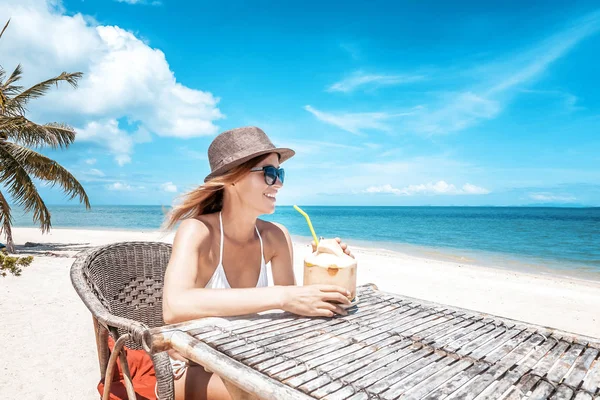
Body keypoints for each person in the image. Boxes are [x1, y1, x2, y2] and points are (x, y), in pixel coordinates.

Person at [162, 126, 354, 400]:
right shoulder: (197, 231)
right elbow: (174, 306)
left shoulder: (276, 236)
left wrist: (327, 266)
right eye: (269, 173)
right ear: (231, 179)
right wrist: (280, 296)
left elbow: (295, 310)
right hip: (195, 366)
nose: (279, 183)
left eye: (280, 173)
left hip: (251, 358)